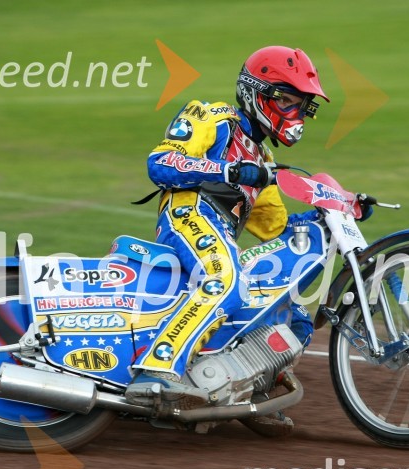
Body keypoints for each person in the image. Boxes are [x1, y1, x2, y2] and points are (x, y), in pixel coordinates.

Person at [126, 46, 330, 418]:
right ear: (257, 93)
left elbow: (277, 228)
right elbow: (160, 163)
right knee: (226, 279)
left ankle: (252, 391)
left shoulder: (264, 162)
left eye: (301, 106)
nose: (296, 114)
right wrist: (229, 172)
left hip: (220, 234)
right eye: (288, 101)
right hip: (187, 214)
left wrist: (331, 212)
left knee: (291, 309)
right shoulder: (211, 116)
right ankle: (155, 369)